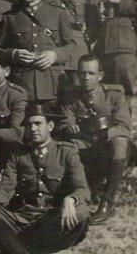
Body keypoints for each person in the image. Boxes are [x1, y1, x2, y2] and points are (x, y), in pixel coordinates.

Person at [0, 105, 90, 254]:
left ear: (51, 127)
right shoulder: (19, 154)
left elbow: (83, 189)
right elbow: (6, 190)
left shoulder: (66, 151)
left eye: (38, 124)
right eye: (30, 125)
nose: (33, 129)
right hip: (24, 217)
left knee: (81, 213)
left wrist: (71, 199)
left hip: (52, 217)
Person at [56, 55, 132, 224]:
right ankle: (70, 195)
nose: (86, 78)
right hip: (84, 142)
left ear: (100, 76)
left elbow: (125, 127)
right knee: (66, 147)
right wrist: (69, 128)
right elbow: (64, 123)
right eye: (82, 73)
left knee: (120, 142)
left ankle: (107, 202)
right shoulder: (71, 97)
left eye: (91, 73)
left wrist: (105, 135)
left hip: (108, 144)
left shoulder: (114, 94)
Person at [0, 0, 81, 105]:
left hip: (52, 86)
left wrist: (55, 55)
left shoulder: (57, 13)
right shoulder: (10, 17)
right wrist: (13, 54)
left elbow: (71, 45)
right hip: (22, 88)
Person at [41, 0, 101, 91]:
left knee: (76, 92)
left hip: (77, 50)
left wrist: (81, 40)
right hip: (50, 47)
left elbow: (95, 26)